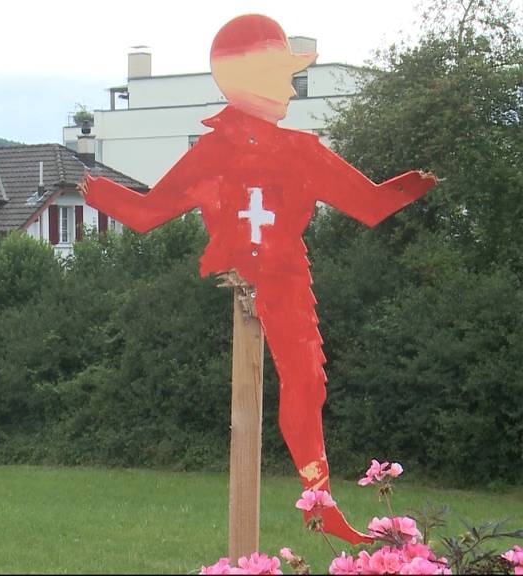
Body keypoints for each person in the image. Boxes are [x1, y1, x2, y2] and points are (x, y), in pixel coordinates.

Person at [81, 14, 436, 545]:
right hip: (254, 276)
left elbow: (369, 204)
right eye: (285, 74)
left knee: (307, 382)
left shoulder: (298, 151)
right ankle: (319, 503)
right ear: (256, 78)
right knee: (304, 381)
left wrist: (410, 186)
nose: (293, 88)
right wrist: (93, 189)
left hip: (286, 274)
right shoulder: (222, 152)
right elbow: (148, 211)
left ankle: (318, 500)